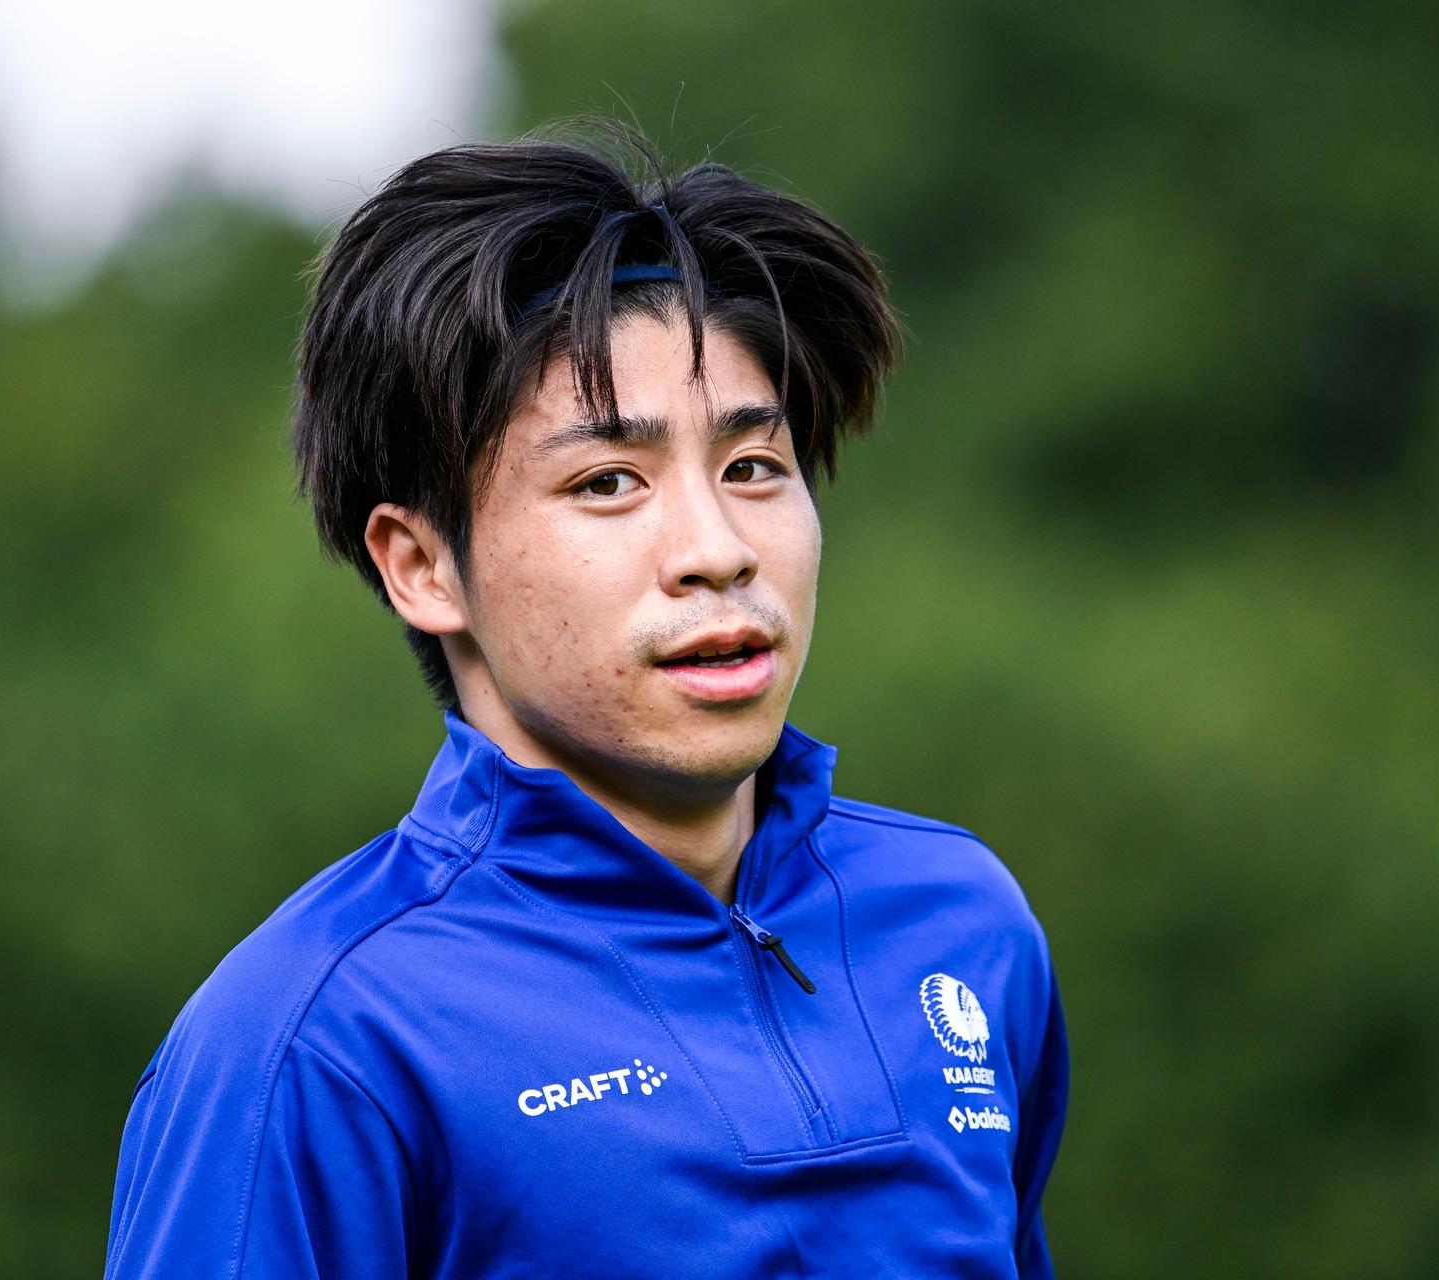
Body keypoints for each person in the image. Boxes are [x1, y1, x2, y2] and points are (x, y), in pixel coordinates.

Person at [102, 120, 1069, 1279]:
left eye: (754, 467)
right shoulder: (316, 1044)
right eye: (608, 480)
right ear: (422, 565)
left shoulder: (961, 918)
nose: (716, 549)